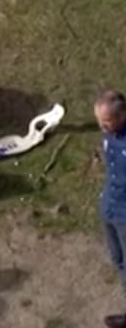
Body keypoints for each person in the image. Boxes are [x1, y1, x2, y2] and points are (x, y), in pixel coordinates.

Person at [94, 90, 126, 328]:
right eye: (99, 121)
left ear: (121, 116)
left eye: (106, 122)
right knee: (118, 260)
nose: (101, 126)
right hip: (109, 206)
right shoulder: (107, 134)